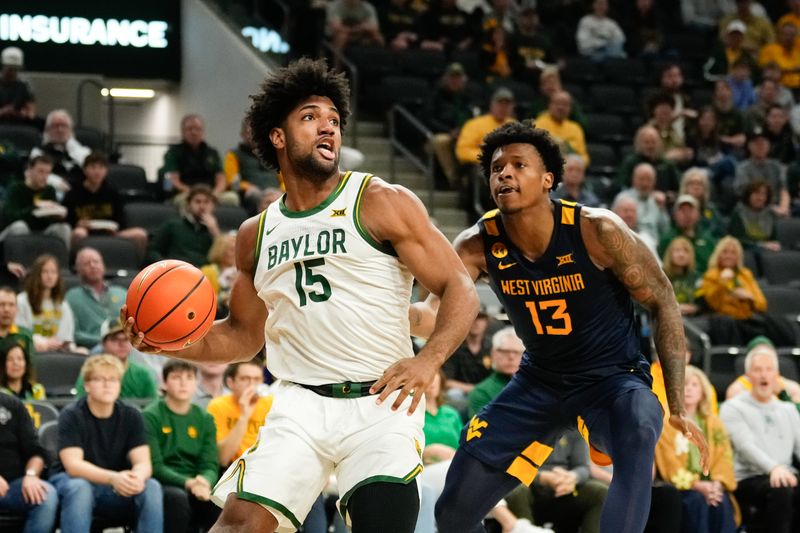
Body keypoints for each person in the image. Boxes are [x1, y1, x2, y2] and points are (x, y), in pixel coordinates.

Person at [122, 58, 478, 533]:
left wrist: (427, 361)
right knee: (238, 525)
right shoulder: (255, 234)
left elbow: (460, 288)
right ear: (277, 136)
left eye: (334, 120)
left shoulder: (380, 201)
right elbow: (243, 337)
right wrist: (167, 342)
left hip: (381, 402)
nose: (328, 128)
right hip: (299, 405)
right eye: (311, 117)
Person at [412, 120, 708, 533]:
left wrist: (676, 404)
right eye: (497, 169)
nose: (505, 174)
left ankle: (608, 438)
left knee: (641, 420)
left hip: (610, 379)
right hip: (539, 381)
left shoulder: (596, 230)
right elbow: (430, 314)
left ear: (549, 179)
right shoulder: (477, 244)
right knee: (453, 512)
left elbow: (663, 300)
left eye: (518, 165)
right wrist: (391, 312)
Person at [50, 355, 163, 532]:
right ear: (87, 385)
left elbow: (143, 463)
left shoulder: (131, 415)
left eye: (113, 379)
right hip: (73, 482)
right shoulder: (72, 414)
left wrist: (136, 478)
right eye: (100, 379)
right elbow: (73, 466)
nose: (107, 384)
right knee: (80, 488)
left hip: (116, 485)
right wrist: (113, 478)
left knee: (151, 486)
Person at [719, 345, 800, 533]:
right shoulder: (732, 408)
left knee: (785, 485)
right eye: (757, 370)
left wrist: (780, 470)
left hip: (785, 474)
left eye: (769, 369)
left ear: (777, 375)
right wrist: (774, 468)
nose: (764, 375)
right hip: (749, 477)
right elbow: (746, 447)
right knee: (781, 489)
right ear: (747, 376)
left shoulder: (787, 409)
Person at [654, 365, 738, 533]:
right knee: (697, 502)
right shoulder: (665, 422)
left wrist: (717, 484)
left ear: (703, 392)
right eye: (684, 385)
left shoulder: (713, 422)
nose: (689, 390)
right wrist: (696, 484)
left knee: (721, 502)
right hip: (683, 489)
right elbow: (668, 461)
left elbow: (724, 456)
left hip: (712, 487)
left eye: (694, 385)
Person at [143, 360, 221, 532]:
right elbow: (155, 466)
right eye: (176, 377)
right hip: (163, 483)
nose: (183, 383)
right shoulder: (150, 416)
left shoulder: (205, 418)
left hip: (197, 483)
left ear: (196, 383)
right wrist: (189, 483)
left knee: (219, 500)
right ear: (164, 383)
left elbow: (209, 463)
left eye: (189, 377)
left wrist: (205, 480)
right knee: (177, 499)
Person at [62, 151, 148, 253]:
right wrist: (77, 224)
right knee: (78, 233)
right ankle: (75, 263)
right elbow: (66, 221)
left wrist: (115, 228)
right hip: (85, 233)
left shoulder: (113, 194)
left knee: (140, 234)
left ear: (106, 171)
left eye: (101, 168)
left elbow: (120, 221)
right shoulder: (73, 194)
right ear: (85, 170)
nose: (97, 172)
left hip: (111, 233)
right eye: (93, 167)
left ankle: (137, 266)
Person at [0, 391, 58, 532]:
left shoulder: (12, 404)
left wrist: (31, 475)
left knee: (46, 496)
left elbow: (35, 452)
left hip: (13, 486)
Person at [161, 114, 239, 207]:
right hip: (186, 194)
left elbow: (221, 178)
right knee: (182, 201)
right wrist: (193, 194)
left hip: (211, 193)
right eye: (190, 129)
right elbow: (173, 180)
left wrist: (215, 193)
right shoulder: (173, 153)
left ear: (203, 132)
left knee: (232, 198)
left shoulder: (212, 153)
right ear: (182, 132)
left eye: (198, 129)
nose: (194, 132)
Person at [206, 360, 273, 467]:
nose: (252, 385)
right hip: (232, 468)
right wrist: (244, 416)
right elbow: (223, 458)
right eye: (245, 379)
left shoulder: (271, 404)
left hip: (265, 466)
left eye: (257, 379)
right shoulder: (218, 406)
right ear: (230, 383)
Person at [74, 318, 158, 400]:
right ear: (103, 343)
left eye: (126, 339)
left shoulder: (143, 374)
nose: (121, 344)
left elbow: (153, 406)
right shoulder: (91, 372)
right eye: (114, 339)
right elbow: (79, 405)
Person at [0, 155, 71, 248]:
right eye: (41, 172)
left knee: (63, 228)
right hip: (12, 232)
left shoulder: (50, 190)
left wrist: (58, 216)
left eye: (48, 173)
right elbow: (10, 217)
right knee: (20, 226)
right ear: (30, 170)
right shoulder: (16, 189)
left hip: (40, 231)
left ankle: (61, 261)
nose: (45, 176)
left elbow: (49, 222)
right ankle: (17, 262)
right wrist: (36, 208)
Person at [65, 247, 127, 349]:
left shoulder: (122, 293)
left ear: (103, 266)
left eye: (96, 261)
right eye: (87, 263)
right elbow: (74, 333)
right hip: (93, 349)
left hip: (126, 346)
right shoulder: (71, 297)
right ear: (78, 270)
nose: (93, 265)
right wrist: (106, 341)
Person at [148, 184, 221, 268]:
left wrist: (215, 232)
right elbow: (153, 252)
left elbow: (224, 260)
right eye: (197, 201)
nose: (202, 206)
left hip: (204, 274)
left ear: (213, 206)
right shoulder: (173, 225)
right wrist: (165, 266)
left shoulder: (214, 231)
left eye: (206, 202)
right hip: (176, 271)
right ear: (188, 204)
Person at [15, 254, 77, 353]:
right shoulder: (21, 301)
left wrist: (57, 344)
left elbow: (66, 337)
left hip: (57, 352)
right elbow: (20, 331)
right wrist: (44, 342)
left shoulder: (63, 305)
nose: (50, 276)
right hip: (30, 350)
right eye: (45, 272)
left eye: (53, 272)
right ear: (37, 274)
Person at [223, 119, 281, 214]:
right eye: (250, 132)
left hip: (275, 191)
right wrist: (247, 187)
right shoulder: (233, 154)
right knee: (256, 196)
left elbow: (284, 177)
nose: (254, 135)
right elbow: (231, 180)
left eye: (256, 132)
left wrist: (281, 190)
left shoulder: (274, 153)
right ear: (242, 134)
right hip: (252, 193)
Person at [468, 326, 524, 417]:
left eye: (517, 352)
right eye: (505, 351)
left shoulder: (534, 386)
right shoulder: (482, 392)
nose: (511, 357)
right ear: (493, 353)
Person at [29, 109, 90, 191]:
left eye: (64, 126)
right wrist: (57, 183)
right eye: (55, 126)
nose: (60, 130)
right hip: (53, 191)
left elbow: (91, 172)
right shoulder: (38, 152)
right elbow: (36, 174)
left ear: (71, 130)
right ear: (47, 130)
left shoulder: (83, 151)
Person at [534, 91, 589, 166]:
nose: (561, 107)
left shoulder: (576, 128)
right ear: (549, 105)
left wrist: (575, 163)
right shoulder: (538, 124)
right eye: (557, 103)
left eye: (565, 104)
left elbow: (584, 156)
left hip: (570, 169)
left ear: (570, 108)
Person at [201, 233, 238, 318]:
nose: (235, 253)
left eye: (237, 250)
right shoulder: (208, 271)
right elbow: (204, 300)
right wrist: (222, 298)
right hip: (215, 315)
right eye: (231, 250)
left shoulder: (242, 273)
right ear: (221, 251)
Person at [662, 237, 700, 317]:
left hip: (693, 319)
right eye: (677, 251)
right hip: (668, 318)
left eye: (686, 251)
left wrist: (695, 308)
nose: (681, 254)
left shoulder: (696, 277)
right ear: (670, 254)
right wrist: (676, 308)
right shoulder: (661, 275)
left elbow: (701, 303)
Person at [0, 46, 35, 123]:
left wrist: (22, 114)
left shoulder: (24, 87)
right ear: (3, 66)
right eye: (9, 68)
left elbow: (31, 112)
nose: (12, 72)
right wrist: (3, 112)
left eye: (15, 69)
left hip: (18, 124)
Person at [0, 286, 34, 357]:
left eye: (11, 305)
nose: (7, 309)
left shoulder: (25, 335)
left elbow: (30, 366)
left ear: (16, 309)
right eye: (2, 304)